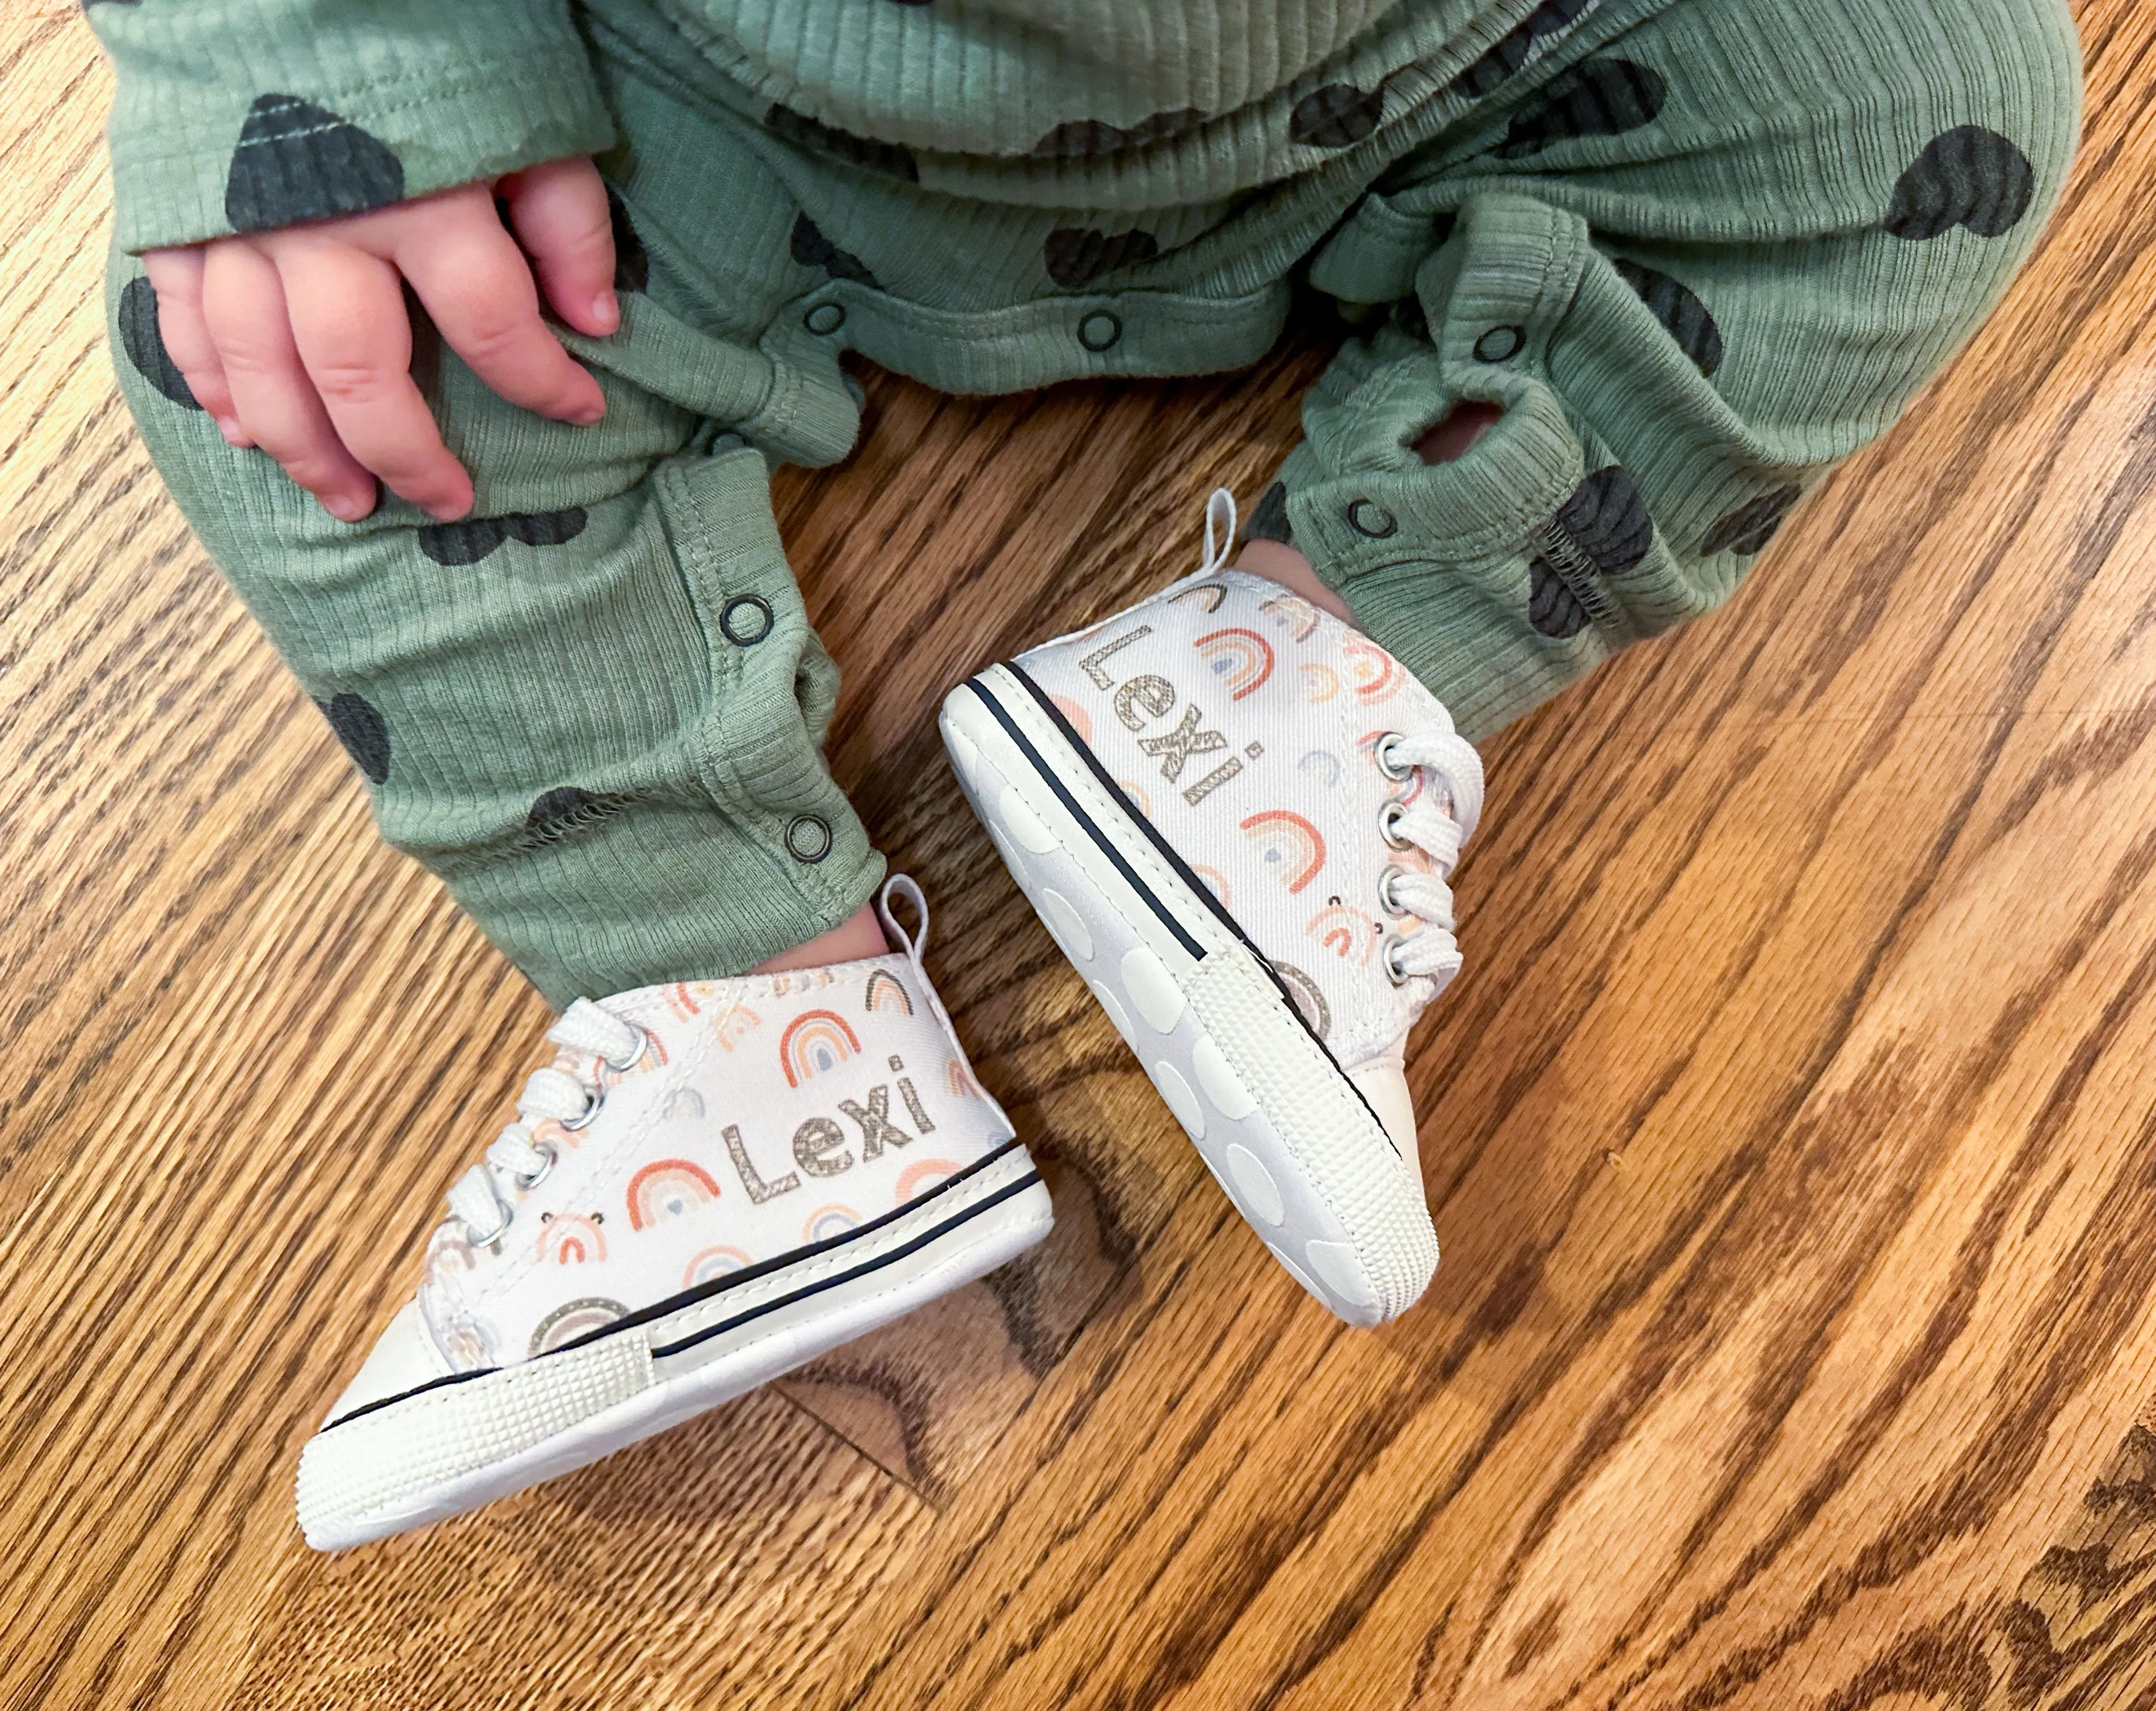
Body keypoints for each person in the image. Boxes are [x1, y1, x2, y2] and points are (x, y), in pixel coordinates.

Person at [87, 0, 2080, 1548]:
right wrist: (300, 55)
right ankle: (746, 1010)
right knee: (287, 364)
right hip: (670, 103)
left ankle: (1281, 705)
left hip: (1453, 53)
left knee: (1940, 89)